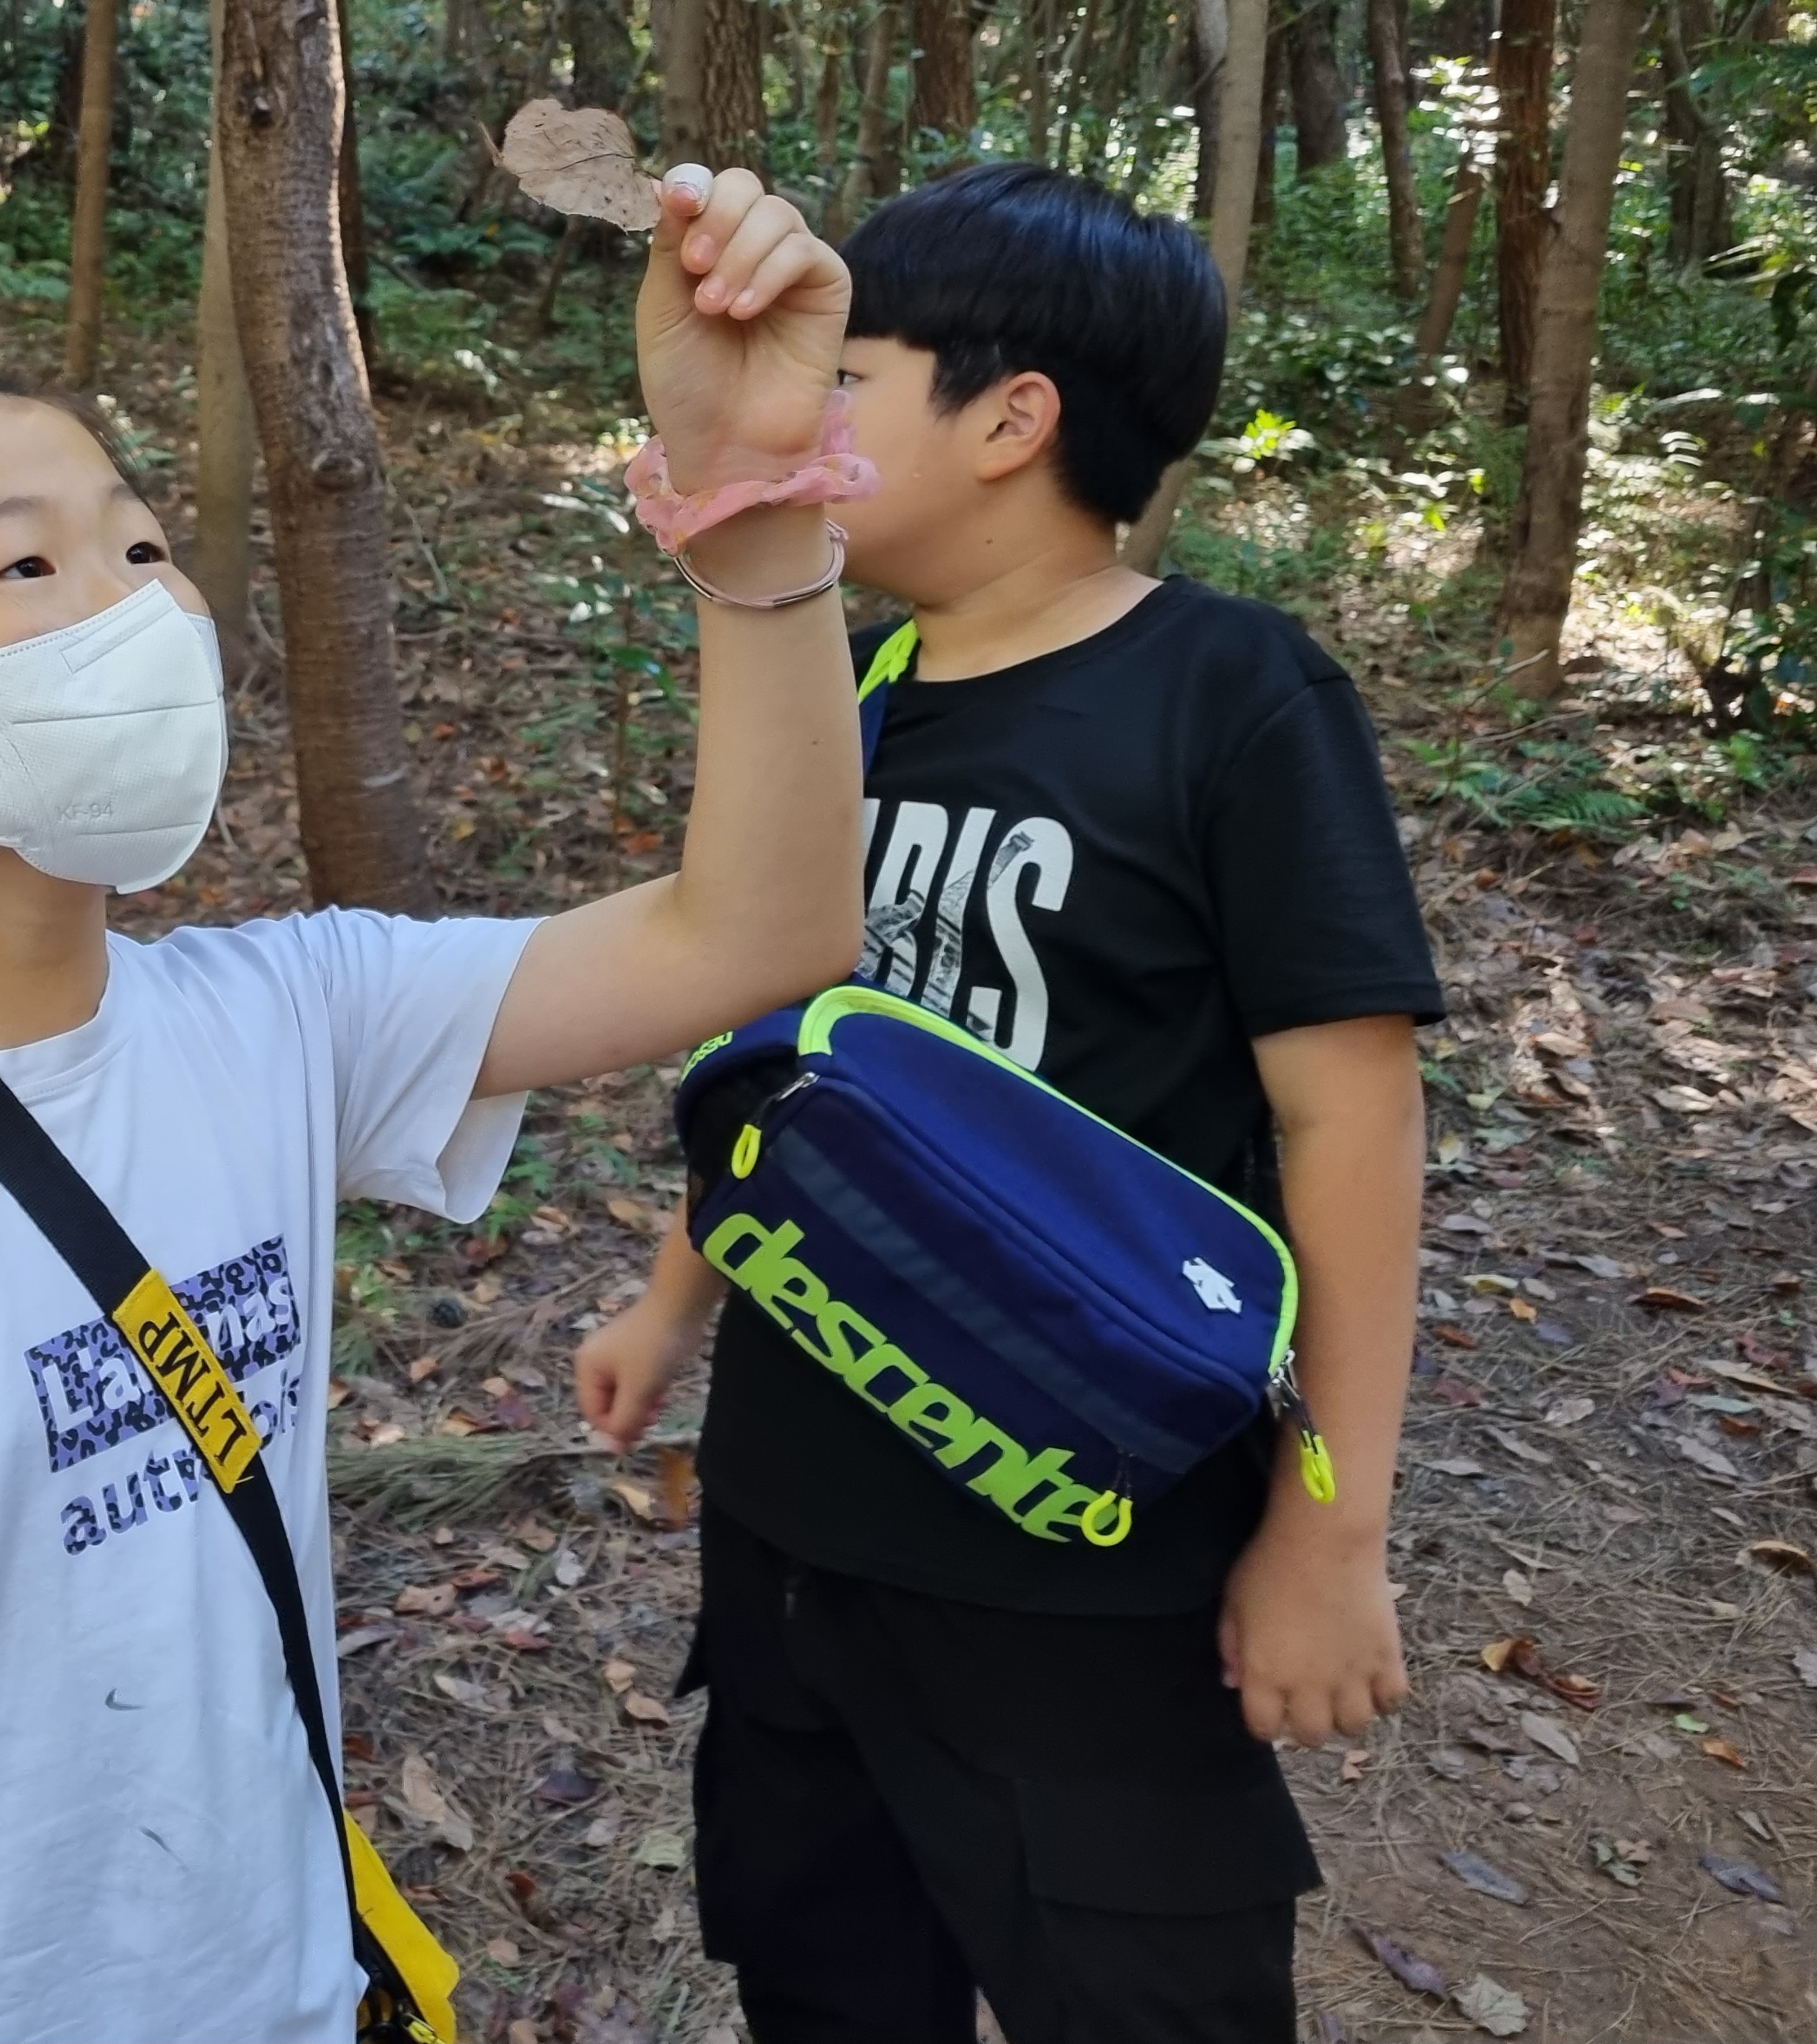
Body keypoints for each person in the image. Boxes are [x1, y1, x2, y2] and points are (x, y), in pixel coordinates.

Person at [0, 170, 870, 2044]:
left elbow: (762, 929)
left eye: (138, 543)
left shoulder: (280, 1020)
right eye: (29, 569)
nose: (133, 605)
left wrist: (758, 504)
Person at [575, 163, 1439, 2044]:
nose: (808, 414)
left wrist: (1329, 1525)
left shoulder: (1232, 696)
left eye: (851, 379)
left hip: (1089, 1565)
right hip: (798, 1529)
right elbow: (796, 1060)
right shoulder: (853, 696)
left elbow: (1353, 1122)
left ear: (1011, 420)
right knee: (826, 1974)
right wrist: (671, 1299)